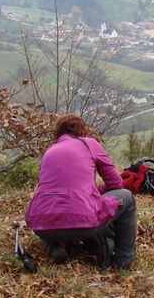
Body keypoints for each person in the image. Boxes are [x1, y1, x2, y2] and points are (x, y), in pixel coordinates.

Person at [24, 113, 136, 268]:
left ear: (59, 133)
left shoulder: (49, 151)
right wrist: (95, 191)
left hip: (39, 224)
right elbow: (116, 183)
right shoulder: (89, 143)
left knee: (54, 212)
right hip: (81, 223)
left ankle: (54, 246)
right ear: (82, 132)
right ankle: (124, 260)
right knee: (126, 197)